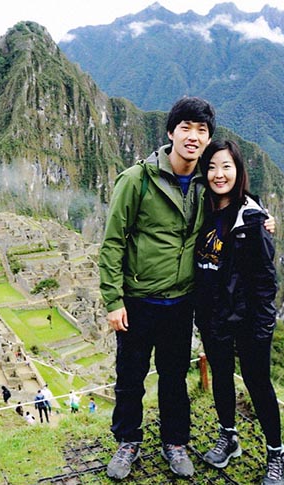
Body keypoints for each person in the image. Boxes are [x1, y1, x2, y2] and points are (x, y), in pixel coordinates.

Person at [99, 97, 216, 480]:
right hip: (138, 301)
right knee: (130, 377)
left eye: (201, 130)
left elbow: (238, 199)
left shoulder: (206, 181)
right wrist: (113, 301)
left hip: (181, 302)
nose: (193, 137)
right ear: (171, 132)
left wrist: (263, 220)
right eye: (186, 128)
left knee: (173, 378)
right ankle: (127, 441)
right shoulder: (138, 179)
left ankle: (175, 442)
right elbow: (113, 241)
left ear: (208, 137)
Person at [194, 139, 284, 485]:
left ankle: (276, 453)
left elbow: (265, 280)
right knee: (221, 377)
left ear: (239, 171)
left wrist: (264, 326)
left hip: (247, 319)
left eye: (226, 167)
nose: (219, 174)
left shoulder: (251, 218)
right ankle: (228, 436)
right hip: (212, 315)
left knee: (257, 383)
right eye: (213, 167)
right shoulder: (203, 208)